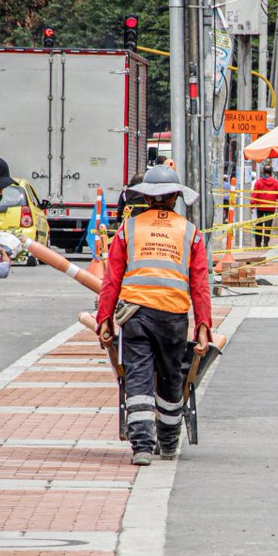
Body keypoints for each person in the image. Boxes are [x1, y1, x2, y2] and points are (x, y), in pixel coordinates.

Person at [96, 165, 212, 466]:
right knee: (171, 379)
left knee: (139, 378)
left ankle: (142, 448)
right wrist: (203, 326)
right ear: (175, 198)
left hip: (135, 315)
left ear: (147, 199)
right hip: (173, 317)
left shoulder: (128, 229)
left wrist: (104, 319)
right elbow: (200, 284)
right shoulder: (191, 233)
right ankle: (170, 445)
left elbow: (112, 280)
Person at [250, 166, 278, 247]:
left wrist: (252, 205)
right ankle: (266, 242)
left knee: (259, 224)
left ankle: (258, 243)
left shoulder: (258, 182)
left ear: (263, 172)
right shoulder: (276, 183)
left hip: (260, 206)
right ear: (271, 172)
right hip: (270, 207)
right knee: (268, 226)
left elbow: (255, 194)